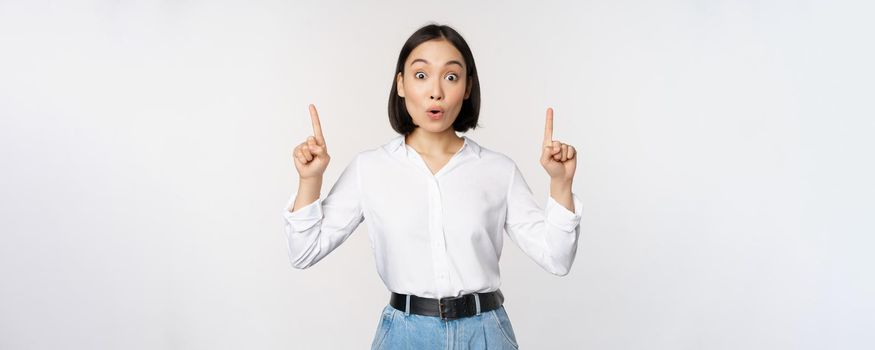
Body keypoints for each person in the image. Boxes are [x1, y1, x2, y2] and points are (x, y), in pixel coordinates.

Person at [282, 23, 582, 350]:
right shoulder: (370, 168)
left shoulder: (498, 170)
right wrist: (310, 180)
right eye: (421, 75)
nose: (436, 91)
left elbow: (557, 258)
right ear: (400, 84)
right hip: (404, 336)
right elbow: (304, 251)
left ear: (467, 87)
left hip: (485, 335)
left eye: (451, 77)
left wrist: (560, 183)